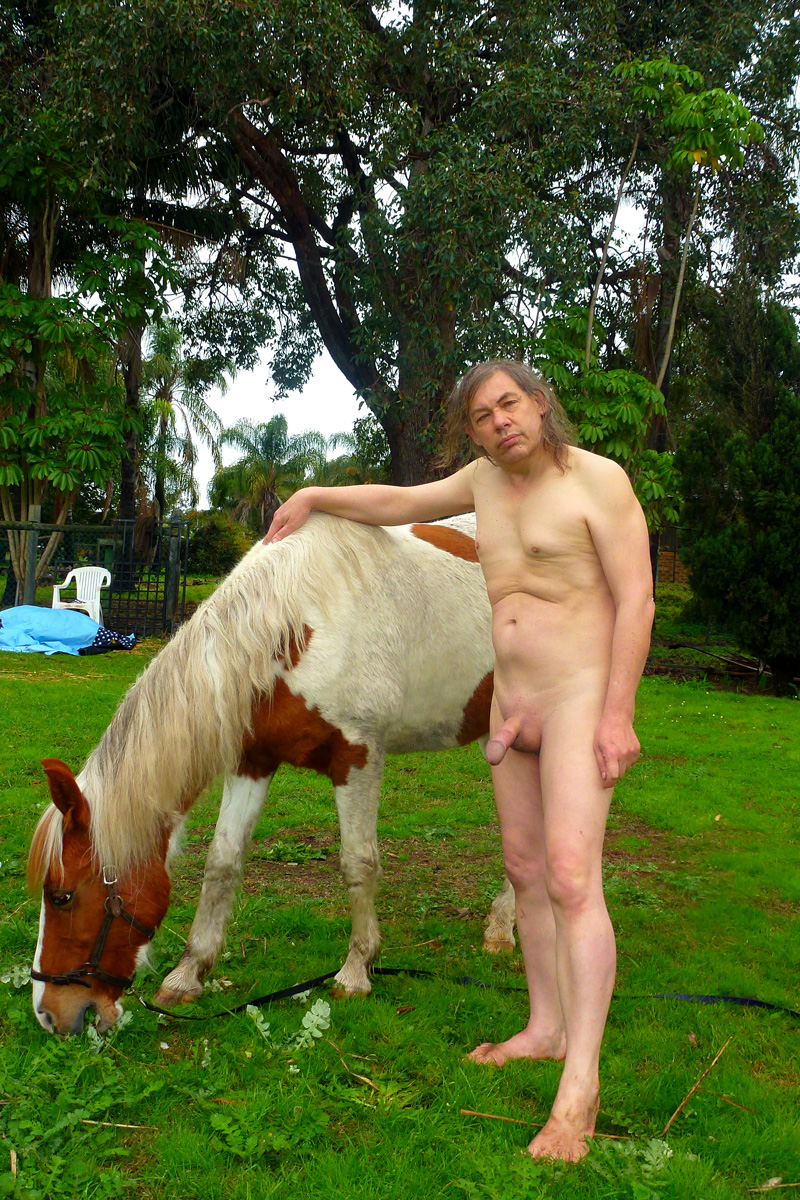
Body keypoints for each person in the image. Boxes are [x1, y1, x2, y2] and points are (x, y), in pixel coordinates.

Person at [265, 360, 654, 1161]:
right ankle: (544, 1028)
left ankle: (580, 1089)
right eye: (481, 416)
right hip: (512, 706)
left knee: (572, 879)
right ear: (472, 433)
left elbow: (637, 599)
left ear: (539, 404)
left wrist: (617, 713)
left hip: (578, 698)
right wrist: (316, 496)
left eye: (509, 404)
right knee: (525, 873)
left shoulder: (599, 481)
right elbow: (401, 504)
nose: (499, 421)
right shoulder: (482, 484)